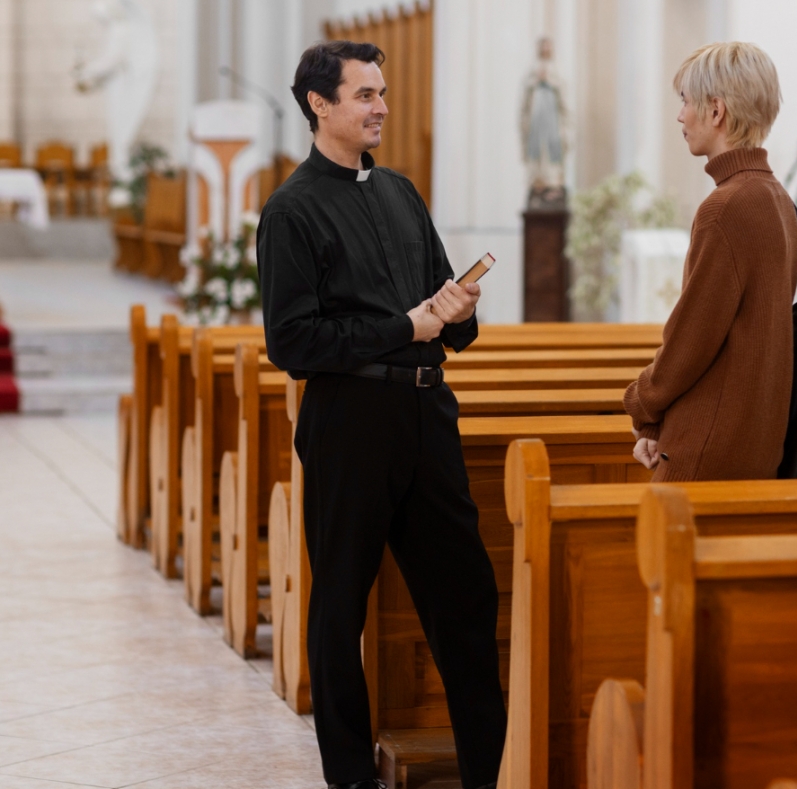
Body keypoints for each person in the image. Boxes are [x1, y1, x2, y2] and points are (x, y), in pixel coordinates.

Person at [257, 41, 505, 789]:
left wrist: (456, 312)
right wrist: (407, 326)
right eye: (365, 94)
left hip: (427, 416)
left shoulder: (400, 192)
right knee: (339, 606)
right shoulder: (291, 211)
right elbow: (292, 342)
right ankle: (349, 777)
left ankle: (491, 768)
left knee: (466, 597)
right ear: (319, 104)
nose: (381, 107)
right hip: (350, 421)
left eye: (382, 93)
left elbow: (442, 313)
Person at [624, 42, 797, 482]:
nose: (680, 115)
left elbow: (692, 337)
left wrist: (642, 403)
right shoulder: (775, 197)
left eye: (686, 102)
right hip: (755, 441)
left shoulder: (727, 206)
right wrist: (657, 423)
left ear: (716, 110)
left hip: (709, 448)